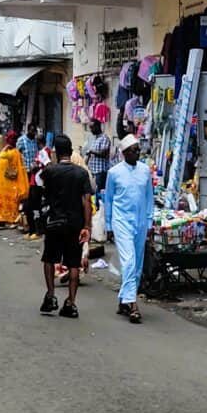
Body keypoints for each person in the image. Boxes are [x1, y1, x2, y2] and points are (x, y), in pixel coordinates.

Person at [39, 135, 92, 319]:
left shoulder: (50, 172)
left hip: (54, 221)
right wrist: (86, 226)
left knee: (49, 258)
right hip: (75, 223)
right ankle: (71, 302)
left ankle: (51, 295)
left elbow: (42, 192)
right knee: (73, 262)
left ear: (56, 152)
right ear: (70, 151)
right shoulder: (81, 173)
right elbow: (87, 201)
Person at [105, 134, 154, 324]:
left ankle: (122, 301)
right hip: (121, 221)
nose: (137, 153)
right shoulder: (114, 173)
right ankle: (133, 304)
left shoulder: (144, 171)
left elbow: (149, 198)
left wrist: (150, 223)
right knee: (128, 262)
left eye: (138, 149)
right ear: (124, 153)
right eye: (133, 150)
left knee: (137, 264)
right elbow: (108, 200)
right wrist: (108, 225)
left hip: (140, 221)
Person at [0, 131, 29, 227]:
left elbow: (2, 155)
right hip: (4, 182)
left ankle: (9, 219)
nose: (12, 141)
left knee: (10, 201)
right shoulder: (14, 152)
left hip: (10, 182)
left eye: (13, 139)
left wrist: (6, 147)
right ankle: (2, 219)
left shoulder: (13, 152)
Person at [85, 121, 111, 200]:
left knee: (100, 194)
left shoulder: (104, 138)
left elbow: (104, 153)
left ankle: (101, 210)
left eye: (92, 128)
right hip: (94, 172)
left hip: (101, 172)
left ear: (97, 126)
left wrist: (92, 151)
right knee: (95, 193)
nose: (91, 130)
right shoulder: (95, 139)